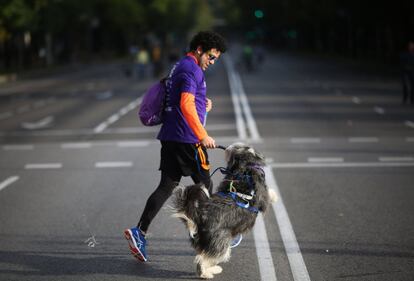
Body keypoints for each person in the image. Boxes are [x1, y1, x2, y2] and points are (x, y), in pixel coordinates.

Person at [124, 31, 227, 262]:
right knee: (206, 185)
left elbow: (184, 101)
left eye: (216, 59)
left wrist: (204, 105)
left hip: (170, 136)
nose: (212, 62)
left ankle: (139, 232)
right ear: (199, 49)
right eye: (211, 57)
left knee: (167, 186)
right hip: (187, 139)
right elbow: (186, 104)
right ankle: (210, 237)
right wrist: (202, 135)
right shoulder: (192, 69)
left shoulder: (180, 66)